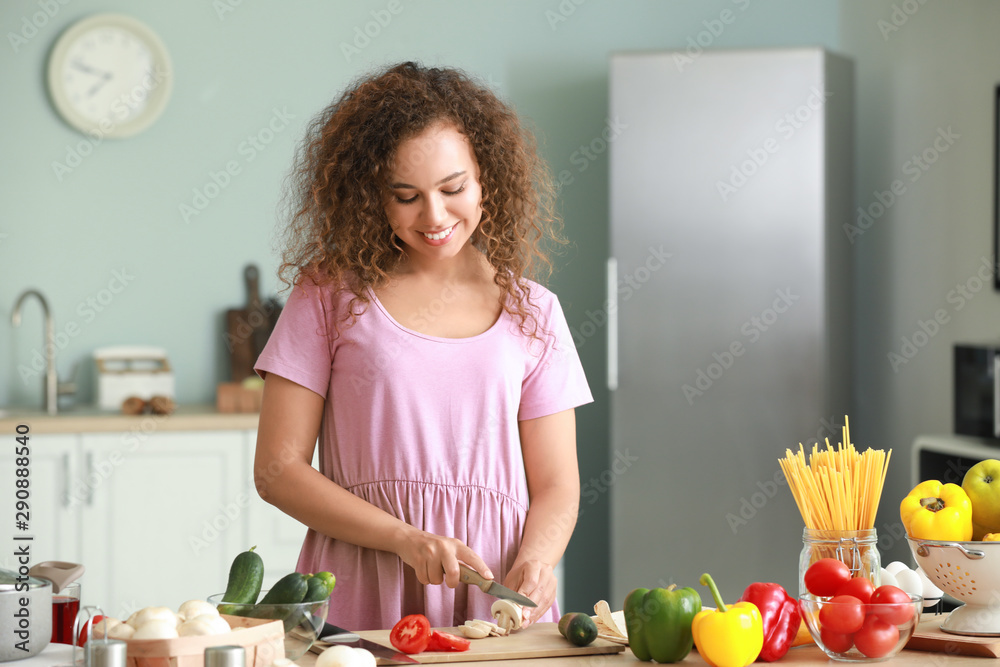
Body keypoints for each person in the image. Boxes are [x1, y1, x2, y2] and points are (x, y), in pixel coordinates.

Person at [252, 61, 593, 631]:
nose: (434, 216)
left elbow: (558, 485)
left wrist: (536, 559)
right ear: (371, 197)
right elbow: (277, 469)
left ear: (488, 179)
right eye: (405, 195)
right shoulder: (328, 296)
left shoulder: (535, 311)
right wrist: (403, 538)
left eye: (453, 188)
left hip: (496, 595)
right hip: (366, 578)